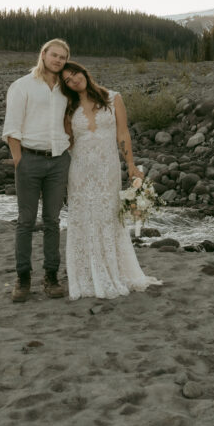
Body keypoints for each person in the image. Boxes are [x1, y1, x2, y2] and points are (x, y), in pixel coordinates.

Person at [58, 61, 161, 300]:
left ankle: (113, 270)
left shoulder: (113, 98)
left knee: (107, 216)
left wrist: (131, 164)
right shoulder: (69, 108)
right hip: (80, 170)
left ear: (83, 71)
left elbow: (122, 133)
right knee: (83, 217)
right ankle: (85, 274)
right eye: (67, 80)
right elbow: (68, 142)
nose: (73, 80)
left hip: (108, 169)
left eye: (74, 74)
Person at [1, 38, 71, 302]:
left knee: (53, 221)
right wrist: (19, 160)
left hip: (58, 161)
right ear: (43, 54)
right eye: (54, 55)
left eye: (63, 57)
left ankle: (51, 277)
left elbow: (70, 121)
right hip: (29, 160)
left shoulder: (66, 88)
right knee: (25, 221)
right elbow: (12, 128)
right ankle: (23, 278)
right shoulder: (22, 86)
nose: (58, 61)